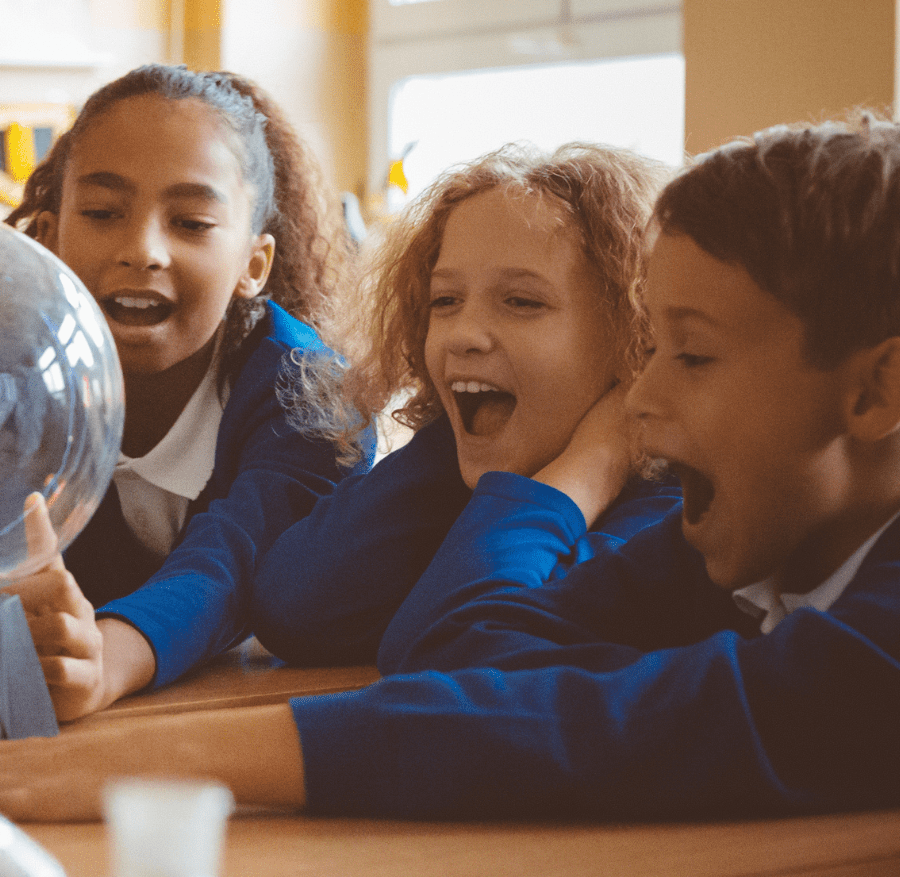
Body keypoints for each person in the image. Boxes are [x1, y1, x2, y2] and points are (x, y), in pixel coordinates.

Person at [0, 115, 900, 821]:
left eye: (689, 357)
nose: (644, 403)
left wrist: (162, 763)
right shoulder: (770, 533)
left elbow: (613, 730)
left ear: (875, 396)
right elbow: (460, 655)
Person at [0, 66, 355, 722]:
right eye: (104, 214)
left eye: (191, 223)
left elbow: (232, 563)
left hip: (239, 715)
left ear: (254, 264)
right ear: (47, 239)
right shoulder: (5, 379)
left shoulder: (315, 395)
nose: (143, 250)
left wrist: (105, 661)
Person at [249, 144, 676, 675]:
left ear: (636, 337)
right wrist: (450, 442)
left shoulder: (668, 518)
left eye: (523, 302)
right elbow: (295, 608)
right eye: (444, 302)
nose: (462, 336)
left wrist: (593, 464)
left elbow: (446, 656)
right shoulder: (471, 464)